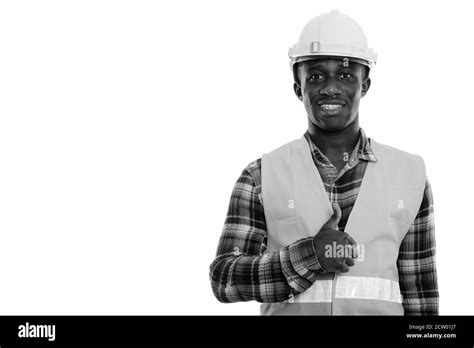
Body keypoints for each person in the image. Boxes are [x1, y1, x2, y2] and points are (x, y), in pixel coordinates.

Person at [209, 10, 438, 315]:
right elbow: (224, 278)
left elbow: (420, 295)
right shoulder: (260, 176)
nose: (330, 88)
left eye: (345, 75)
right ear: (298, 88)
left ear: (365, 85)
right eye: (316, 76)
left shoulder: (409, 175)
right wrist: (309, 256)